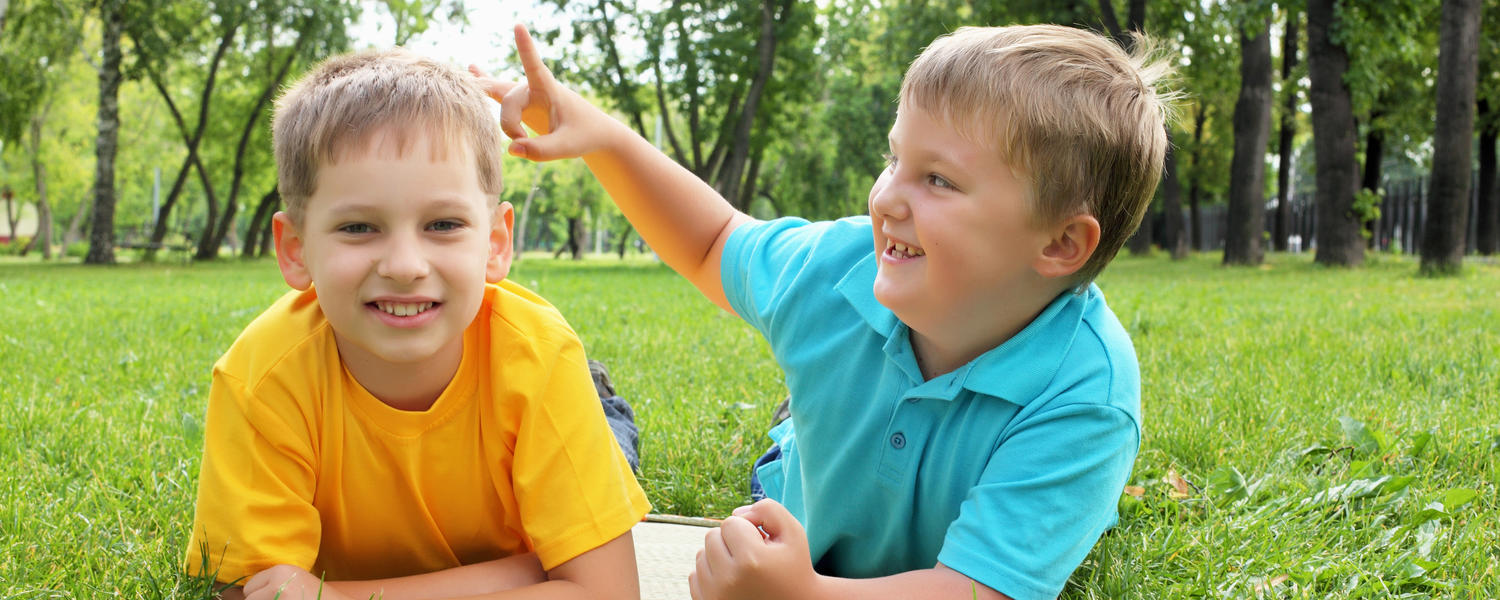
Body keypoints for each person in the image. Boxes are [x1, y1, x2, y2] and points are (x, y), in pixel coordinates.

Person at [476, 22, 1171, 600]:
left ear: (1060, 243)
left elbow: (975, 589)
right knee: (796, 450)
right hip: (803, 497)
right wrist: (605, 138)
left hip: (874, 564)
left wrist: (804, 594)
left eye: (938, 179)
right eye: (894, 159)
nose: (888, 198)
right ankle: (800, 426)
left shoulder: (1084, 397)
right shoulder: (838, 269)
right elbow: (714, 240)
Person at [183, 48, 650, 600]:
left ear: (496, 244)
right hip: (522, 486)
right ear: (295, 249)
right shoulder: (260, 380)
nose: (405, 266)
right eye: (358, 227)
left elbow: (606, 590)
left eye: (443, 224)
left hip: (545, 406)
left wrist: (342, 596)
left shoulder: (540, 358)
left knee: (609, 446)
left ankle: (600, 402)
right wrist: (529, 572)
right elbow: (252, 592)